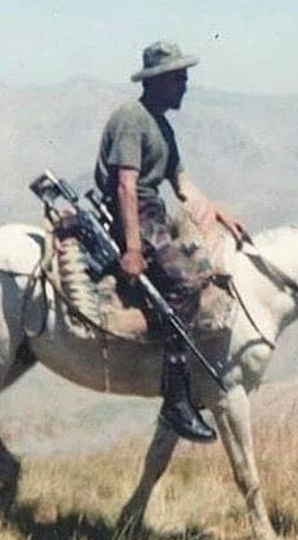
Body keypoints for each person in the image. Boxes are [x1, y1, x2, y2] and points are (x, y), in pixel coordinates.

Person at [94, 40, 247, 444]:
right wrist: (131, 248)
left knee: (207, 270)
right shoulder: (132, 117)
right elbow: (126, 186)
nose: (185, 86)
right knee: (183, 282)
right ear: (159, 81)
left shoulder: (161, 125)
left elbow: (181, 183)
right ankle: (176, 400)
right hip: (133, 216)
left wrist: (219, 212)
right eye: (179, 78)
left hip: (152, 214)